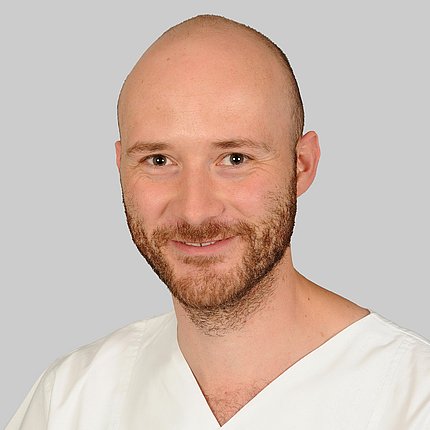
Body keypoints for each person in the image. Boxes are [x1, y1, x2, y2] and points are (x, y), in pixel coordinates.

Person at [6, 14, 430, 430]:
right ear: (121, 167)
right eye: (159, 160)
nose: (195, 211)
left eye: (235, 159)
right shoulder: (70, 399)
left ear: (302, 165)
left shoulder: (412, 400)